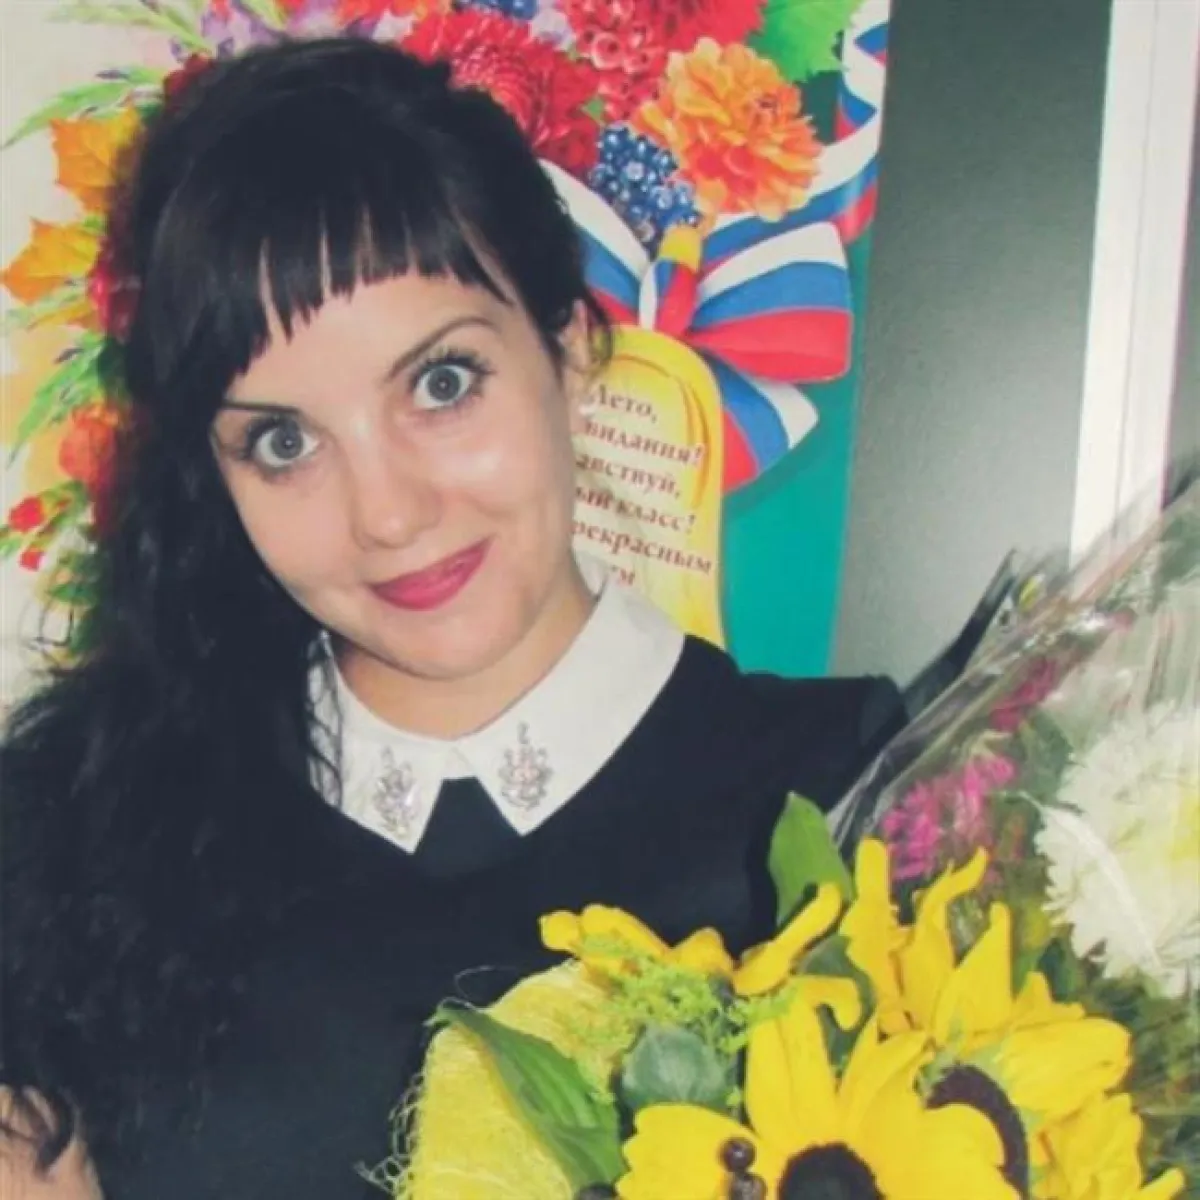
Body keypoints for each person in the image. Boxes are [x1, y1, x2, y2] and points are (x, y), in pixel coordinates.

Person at [0, 37, 902, 1199]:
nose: (387, 514)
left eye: (440, 384)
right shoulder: (75, 833)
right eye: (283, 441)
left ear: (568, 349)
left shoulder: (847, 800)